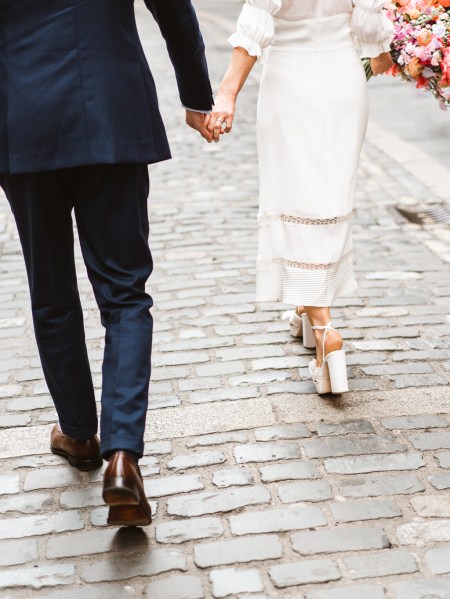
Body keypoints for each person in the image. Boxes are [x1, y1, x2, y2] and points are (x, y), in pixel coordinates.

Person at [0, 0, 213, 527]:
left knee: (50, 290)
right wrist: (196, 96)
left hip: (23, 119)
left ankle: (78, 433)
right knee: (125, 294)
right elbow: (175, 11)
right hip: (111, 108)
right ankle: (123, 455)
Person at [207, 0, 394, 395]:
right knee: (330, 196)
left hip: (291, 83)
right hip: (344, 79)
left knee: (296, 195)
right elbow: (377, 42)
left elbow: (256, 26)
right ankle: (308, 310)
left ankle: (326, 333)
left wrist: (227, 92)